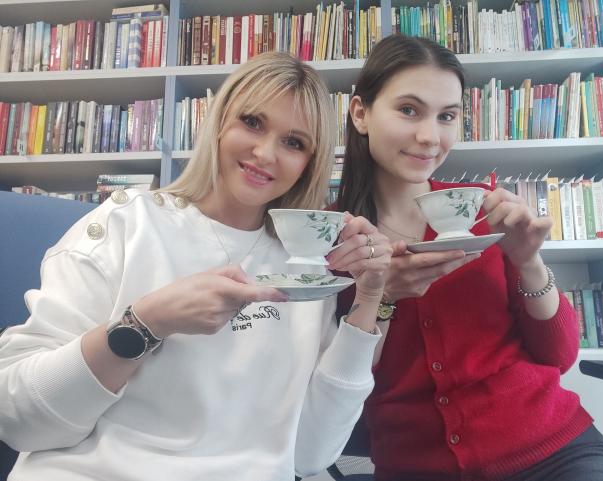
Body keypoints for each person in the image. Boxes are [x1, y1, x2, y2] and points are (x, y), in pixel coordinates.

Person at [0, 52, 392, 481]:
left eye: (294, 143)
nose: (265, 153)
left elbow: (311, 453)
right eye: (252, 122)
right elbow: (22, 420)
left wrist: (370, 295)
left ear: (309, 164)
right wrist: (146, 323)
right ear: (219, 122)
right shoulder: (125, 223)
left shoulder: (305, 269)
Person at [335, 34, 603, 481]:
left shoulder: (480, 213)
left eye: (447, 116)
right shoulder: (332, 240)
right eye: (409, 110)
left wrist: (529, 262)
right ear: (361, 113)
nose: (429, 137)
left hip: (554, 451)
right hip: (417, 466)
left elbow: (558, 354)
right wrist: (381, 298)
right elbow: (340, 388)